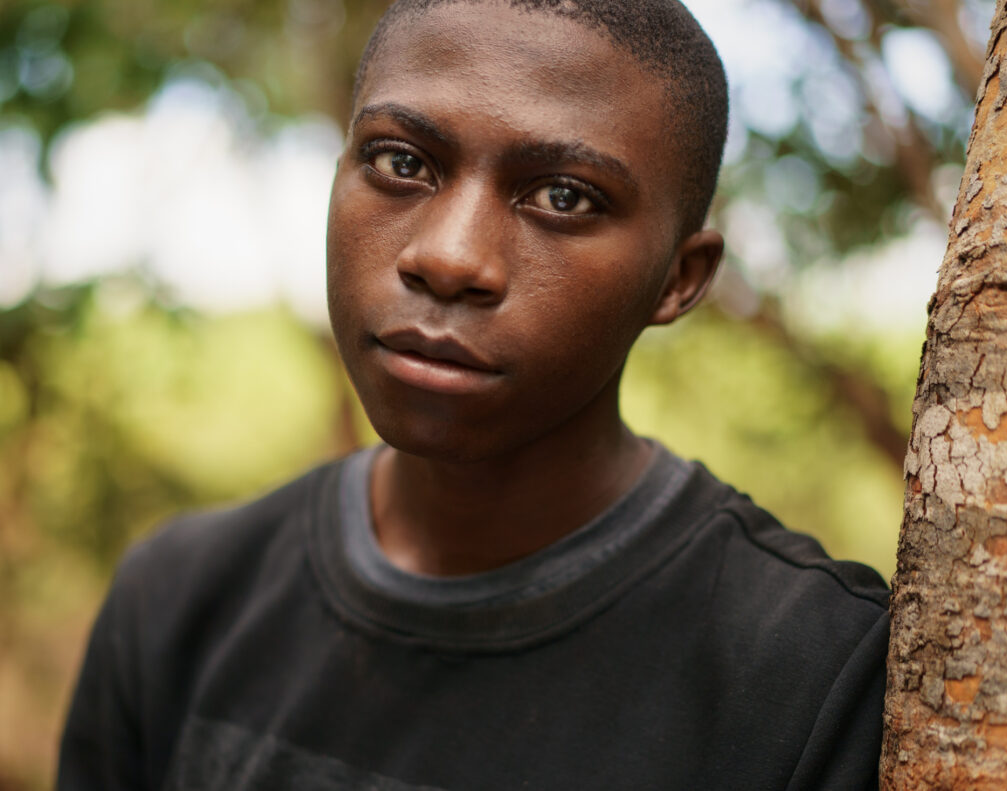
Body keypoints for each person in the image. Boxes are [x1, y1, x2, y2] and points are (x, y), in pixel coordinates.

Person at [58, 0, 890, 788]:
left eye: (564, 196)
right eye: (401, 161)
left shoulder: (814, 676)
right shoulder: (177, 603)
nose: (449, 257)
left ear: (678, 280)